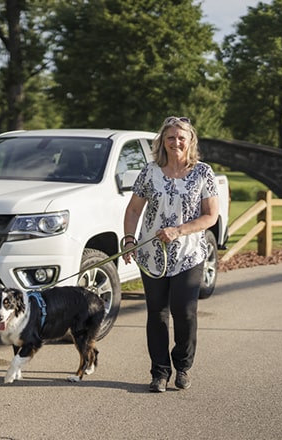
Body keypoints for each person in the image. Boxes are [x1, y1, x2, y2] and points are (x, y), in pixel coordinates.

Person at [122, 116, 219, 393]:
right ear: (162, 141)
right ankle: (160, 372)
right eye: (170, 137)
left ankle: (183, 366)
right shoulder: (150, 171)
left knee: (185, 312)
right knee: (157, 313)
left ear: (190, 142)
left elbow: (210, 216)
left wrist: (179, 230)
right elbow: (132, 210)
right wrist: (129, 239)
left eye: (181, 137)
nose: (176, 142)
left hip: (189, 254)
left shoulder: (203, 173)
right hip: (152, 255)